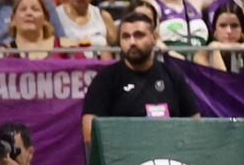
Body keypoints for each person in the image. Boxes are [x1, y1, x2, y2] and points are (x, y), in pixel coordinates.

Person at [82, 12, 203, 144]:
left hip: (169, 150)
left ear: (154, 37)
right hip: (123, 153)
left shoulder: (172, 75)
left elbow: (195, 124)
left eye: (139, 35)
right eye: (126, 37)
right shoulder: (105, 79)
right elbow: (89, 133)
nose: (132, 42)